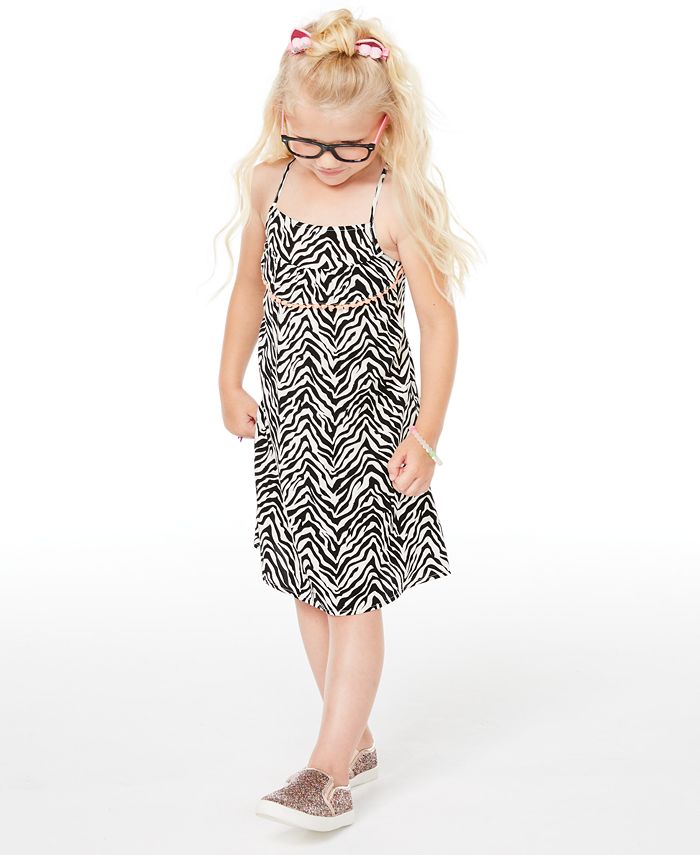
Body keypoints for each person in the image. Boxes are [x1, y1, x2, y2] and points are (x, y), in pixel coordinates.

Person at [215, 9, 480, 832]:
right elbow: (251, 287)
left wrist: (427, 433)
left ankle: (327, 771)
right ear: (283, 118)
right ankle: (353, 733)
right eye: (309, 142)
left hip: (367, 425)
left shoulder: (394, 200)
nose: (327, 162)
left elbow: (439, 323)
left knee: (354, 589)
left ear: (384, 128)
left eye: (349, 148)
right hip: (290, 417)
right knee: (306, 579)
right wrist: (227, 378)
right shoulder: (270, 184)